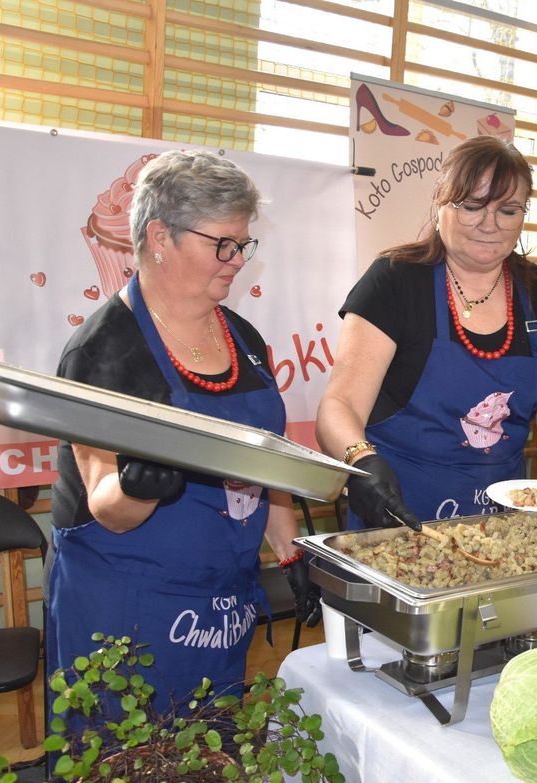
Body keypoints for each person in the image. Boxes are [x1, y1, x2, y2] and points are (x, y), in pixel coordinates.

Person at [47, 150, 320, 718]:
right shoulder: (103, 351)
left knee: (210, 749)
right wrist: (142, 484)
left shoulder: (244, 337)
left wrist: (292, 556)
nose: (237, 260)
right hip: (125, 611)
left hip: (218, 612)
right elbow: (108, 507)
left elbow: (265, 465)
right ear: (160, 237)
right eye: (222, 244)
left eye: (243, 244)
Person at [317, 136, 537, 527]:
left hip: (502, 528)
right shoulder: (394, 282)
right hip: (397, 522)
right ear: (440, 203)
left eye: (508, 210)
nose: (489, 224)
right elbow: (338, 406)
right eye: (472, 206)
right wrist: (361, 461)